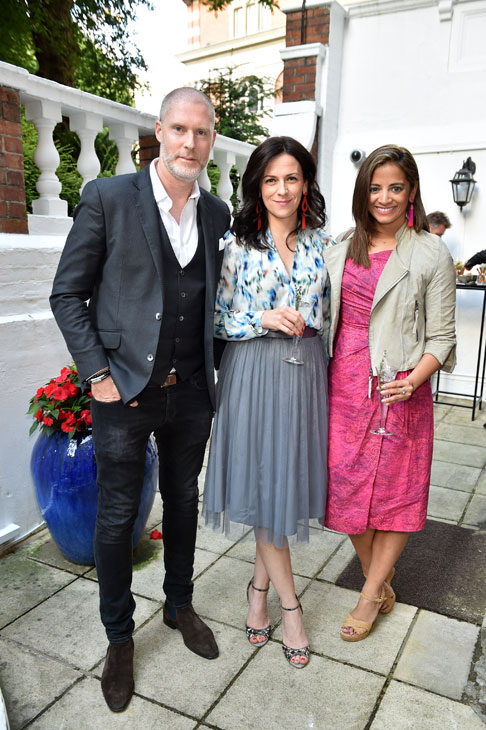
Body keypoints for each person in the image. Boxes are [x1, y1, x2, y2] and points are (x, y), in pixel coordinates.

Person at [50, 88, 230, 712]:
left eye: (201, 133)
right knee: (117, 514)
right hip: (120, 390)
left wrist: (219, 375)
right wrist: (96, 372)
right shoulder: (107, 198)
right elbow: (67, 294)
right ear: (159, 130)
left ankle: (179, 604)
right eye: (178, 129)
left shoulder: (217, 214)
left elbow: (219, 305)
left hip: (190, 394)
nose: (189, 143)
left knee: (183, 499)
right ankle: (119, 636)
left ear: (211, 139)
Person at [203, 136, 332, 669]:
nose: (282, 189)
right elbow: (214, 318)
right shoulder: (236, 245)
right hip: (254, 373)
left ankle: (256, 591)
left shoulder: (322, 243)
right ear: (257, 185)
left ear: (305, 184)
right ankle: (289, 606)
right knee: (263, 481)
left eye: (292, 178)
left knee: (280, 486)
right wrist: (261, 319)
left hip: (305, 375)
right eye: (272, 179)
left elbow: (331, 312)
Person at [323, 144, 456, 642]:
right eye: (375, 188)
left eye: (395, 187)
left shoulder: (429, 251)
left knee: (397, 492)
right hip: (344, 385)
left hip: (400, 387)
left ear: (412, 191)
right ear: (363, 192)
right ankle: (379, 580)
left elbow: (443, 337)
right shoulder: (341, 246)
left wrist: (413, 379)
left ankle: (368, 591)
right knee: (344, 484)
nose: (385, 197)